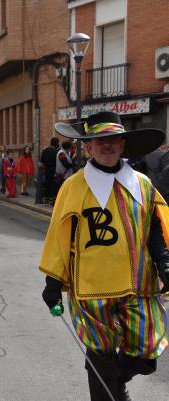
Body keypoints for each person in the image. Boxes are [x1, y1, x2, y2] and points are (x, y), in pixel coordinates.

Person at [39, 111, 169, 401]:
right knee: (101, 357)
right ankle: (108, 388)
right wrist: (52, 282)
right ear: (87, 148)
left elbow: (155, 229)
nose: (106, 145)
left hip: (139, 286)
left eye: (112, 140)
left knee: (147, 354)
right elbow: (60, 238)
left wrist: (164, 261)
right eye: (99, 141)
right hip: (91, 289)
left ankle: (113, 379)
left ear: (123, 145)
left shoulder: (142, 184)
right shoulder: (73, 187)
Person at [40, 137, 60, 205]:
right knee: (53, 186)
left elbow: (42, 160)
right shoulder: (56, 151)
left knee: (47, 185)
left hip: (46, 171)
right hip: (54, 171)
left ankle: (46, 200)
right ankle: (52, 201)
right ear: (56, 143)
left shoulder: (45, 150)